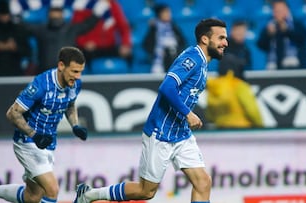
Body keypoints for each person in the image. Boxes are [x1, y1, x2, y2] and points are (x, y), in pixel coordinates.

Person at [73, 18, 228, 203]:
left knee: (203, 183)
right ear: (205, 39)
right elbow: (167, 87)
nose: (225, 43)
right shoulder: (192, 59)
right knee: (145, 192)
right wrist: (188, 113)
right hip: (161, 133)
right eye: (221, 38)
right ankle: (90, 195)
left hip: (181, 133)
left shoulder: (202, 62)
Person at [0, 47, 89, 203]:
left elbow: (70, 104)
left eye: (80, 72)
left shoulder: (74, 84)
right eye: (74, 71)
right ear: (61, 66)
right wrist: (34, 135)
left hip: (48, 142)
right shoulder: (41, 85)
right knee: (52, 189)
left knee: (32, 196)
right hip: (28, 142)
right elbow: (12, 113)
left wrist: (75, 126)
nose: (78, 76)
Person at [24, 0, 110, 74]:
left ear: (62, 14)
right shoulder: (41, 29)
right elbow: (21, 26)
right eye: (53, 12)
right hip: (45, 73)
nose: (55, 15)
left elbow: (89, 23)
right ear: (48, 14)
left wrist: (100, 9)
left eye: (58, 12)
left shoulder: (71, 29)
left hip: (67, 74)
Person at [205, 54, 264, 129]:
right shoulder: (239, 85)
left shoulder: (213, 86)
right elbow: (252, 110)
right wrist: (260, 126)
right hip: (242, 130)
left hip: (220, 130)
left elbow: (210, 115)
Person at [72, 0, 133, 71]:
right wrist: (84, 43)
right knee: (82, 56)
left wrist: (126, 44)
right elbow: (76, 29)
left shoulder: (112, 4)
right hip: (90, 47)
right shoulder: (82, 4)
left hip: (109, 46)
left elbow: (124, 27)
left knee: (129, 55)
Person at [256, 0, 306, 70]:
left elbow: (303, 37)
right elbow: (261, 45)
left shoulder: (296, 24)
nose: (277, 13)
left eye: (280, 10)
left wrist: (287, 31)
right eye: (275, 11)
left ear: (287, 10)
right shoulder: (270, 26)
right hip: (273, 66)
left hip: (295, 65)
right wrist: (268, 34)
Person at [142, 3, 187, 73]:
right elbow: (146, 44)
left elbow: (183, 42)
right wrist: (155, 52)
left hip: (175, 54)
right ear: (159, 14)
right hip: (160, 58)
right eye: (165, 12)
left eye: (169, 12)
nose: (168, 14)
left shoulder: (174, 26)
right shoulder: (154, 28)